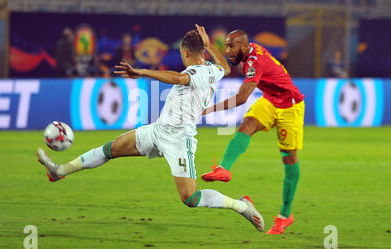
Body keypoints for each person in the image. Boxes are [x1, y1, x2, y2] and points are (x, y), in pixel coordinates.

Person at [37, 25, 265, 232]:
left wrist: (142, 72)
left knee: (191, 198)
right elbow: (225, 67)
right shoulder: (211, 69)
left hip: (179, 140)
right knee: (111, 149)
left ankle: (241, 206)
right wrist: (208, 46)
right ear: (202, 52)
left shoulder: (197, 72)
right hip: (159, 130)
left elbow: (178, 78)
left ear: (185, 53)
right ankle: (59, 171)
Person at [201, 30, 305, 235]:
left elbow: (241, 98)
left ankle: (285, 216)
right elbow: (225, 68)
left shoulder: (254, 61)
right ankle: (224, 168)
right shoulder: (247, 55)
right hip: (270, 100)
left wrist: (209, 109)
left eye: (232, 46)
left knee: (289, 158)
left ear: (244, 46)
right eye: (226, 46)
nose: (228, 51)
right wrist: (209, 47)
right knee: (247, 124)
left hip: (290, 106)